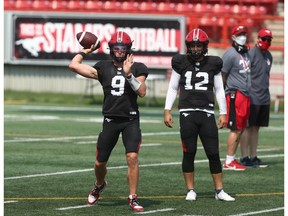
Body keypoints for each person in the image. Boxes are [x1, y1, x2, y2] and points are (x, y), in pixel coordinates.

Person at [69, 31, 148, 212]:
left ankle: (133, 197)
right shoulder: (103, 67)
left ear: (129, 49)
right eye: (116, 48)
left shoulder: (138, 67)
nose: (120, 52)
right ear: (111, 49)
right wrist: (85, 51)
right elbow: (73, 66)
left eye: (123, 48)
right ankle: (99, 184)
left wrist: (129, 75)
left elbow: (142, 92)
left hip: (130, 120)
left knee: (132, 157)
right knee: (99, 162)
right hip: (110, 120)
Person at [164, 28, 235, 202]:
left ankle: (219, 190)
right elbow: (173, 87)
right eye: (193, 45)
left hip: (206, 112)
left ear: (205, 46)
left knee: (213, 152)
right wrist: (167, 109)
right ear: (188, 46)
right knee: (189, 152)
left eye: (198, 45)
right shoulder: (180, 62)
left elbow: (219, 89)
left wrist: (223, 112)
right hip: (187, 112)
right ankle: (190, 190)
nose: (195, 49)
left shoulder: (214, 63)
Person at [239, 28, 273, 168]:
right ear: (259, 39)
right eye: (264, 39)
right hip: (252, 96)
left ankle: (253, 156)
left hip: (264, 97)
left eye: (269, 39)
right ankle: (244, 156)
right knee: (247, 127)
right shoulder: (250, 53)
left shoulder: (269, 56)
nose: (266, 42)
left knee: (256, 127)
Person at [221, 25, 251, 171]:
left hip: (245, 94)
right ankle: (228, 160)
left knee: (241, 128)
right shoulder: (230, 54)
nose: (243, 36)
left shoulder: (246, 53)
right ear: (233, 37)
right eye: (240, 34)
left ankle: (232, 159)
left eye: (244, 34)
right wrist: (221, 95)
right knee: (235, 128)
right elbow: (222, 75)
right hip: (235, 94)